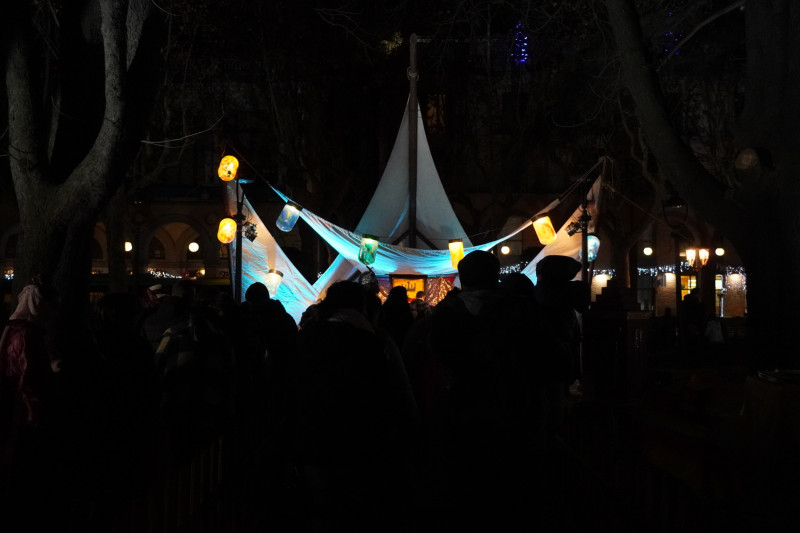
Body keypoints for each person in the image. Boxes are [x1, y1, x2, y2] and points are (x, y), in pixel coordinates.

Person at [283, 280, 418, 531]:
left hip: (311, 440)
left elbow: (290, 389)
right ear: (362, 306)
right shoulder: (374, 342)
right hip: (360, 444)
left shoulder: (306, 337)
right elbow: (396, 393)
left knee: (320, 510)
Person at [0, 281, 65, 528]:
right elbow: (27, 378)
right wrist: (36, 413)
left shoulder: (14, 328)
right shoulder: (27, 333)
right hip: (23, 412)